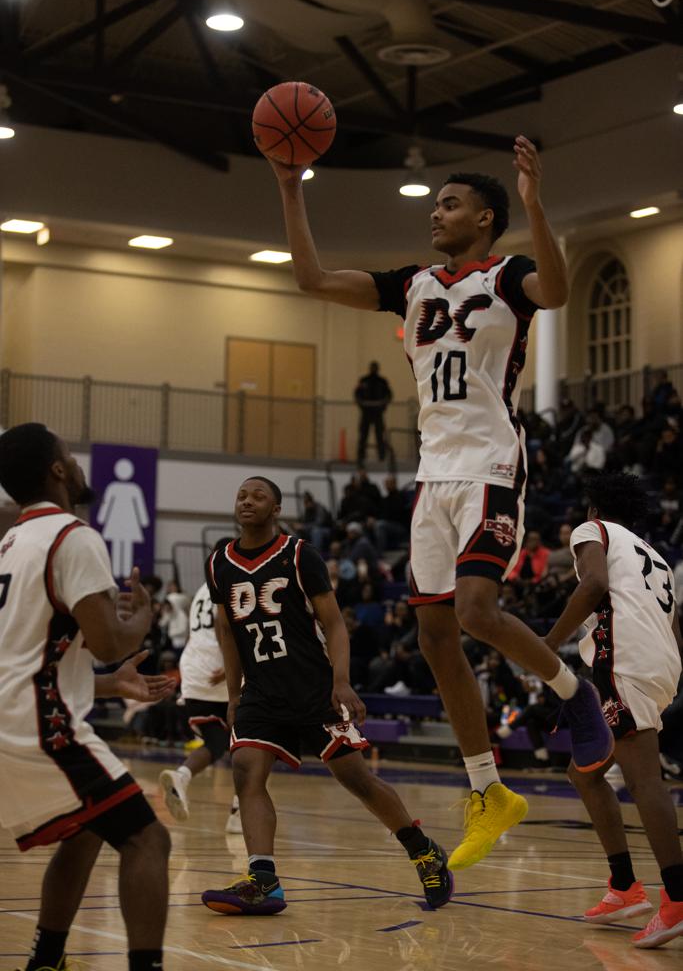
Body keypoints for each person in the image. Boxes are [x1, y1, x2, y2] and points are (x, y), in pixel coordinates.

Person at [267, 135, 613, 871]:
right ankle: (488, 792)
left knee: (476, 611)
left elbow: (554, 291)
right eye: (434, 204)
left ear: (484, 218)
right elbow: (311, 278)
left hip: (489, 461)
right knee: (433, 639)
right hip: (432, 474)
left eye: (448, 204)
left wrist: (536, 205)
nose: (435, 213)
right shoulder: (414, 284)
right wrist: (290, 186)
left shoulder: (510, 275)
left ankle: (570, 688)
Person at [200, 476, 453, 914]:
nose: (247, 501)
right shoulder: (219, 561)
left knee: (356, 779)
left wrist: (341, 680)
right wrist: (235, 690)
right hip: (261, 691)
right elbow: (226, 629)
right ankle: (264, 881)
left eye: (258, 496)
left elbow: (334, 623)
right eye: (242, 494)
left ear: (276, 508)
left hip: (313, 689)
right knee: (245, 771)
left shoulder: (299, 555)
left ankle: (423, 850)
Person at [0, 423, 172, 971]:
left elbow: (24, 658)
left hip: (14, 715)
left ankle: (45, 960)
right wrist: (141, 621)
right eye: (69, 455)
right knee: (148, 838)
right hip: (36, 726)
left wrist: (106, 685)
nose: (76, 463)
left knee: (88, 832)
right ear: (57, 470)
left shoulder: (10, 543)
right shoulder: (72, 535)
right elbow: (106, 640)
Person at [545, 472, 683, 948]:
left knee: (645, 777)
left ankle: (679, 899)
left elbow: (593, 586)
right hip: (660, 664)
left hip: (625, 662)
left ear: (593, 509)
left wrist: (545, 646)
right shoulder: (657, 557)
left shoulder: (593, 532)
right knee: (583, 771)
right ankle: (624, 886)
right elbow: (674, 627)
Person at [159, 581, 242, 833]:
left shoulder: (200, 590)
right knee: (251, 745)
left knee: (216, 743)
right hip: (219, 670)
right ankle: (239, 812)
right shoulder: (232, 581)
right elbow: (222, 623)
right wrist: (230, 667)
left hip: (194, 672)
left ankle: (182, 776)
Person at [354, 361, 392, 465]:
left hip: (378, 412)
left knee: (380, 435)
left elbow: (388, 395)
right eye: (372, 367)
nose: (373, 369)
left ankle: (381, 457)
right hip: (366, 412)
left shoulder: (382, 381)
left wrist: (382, 406)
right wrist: (362, 405)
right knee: (363, 436)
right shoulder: (364, 380)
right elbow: (357, 394)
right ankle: (361, 457)